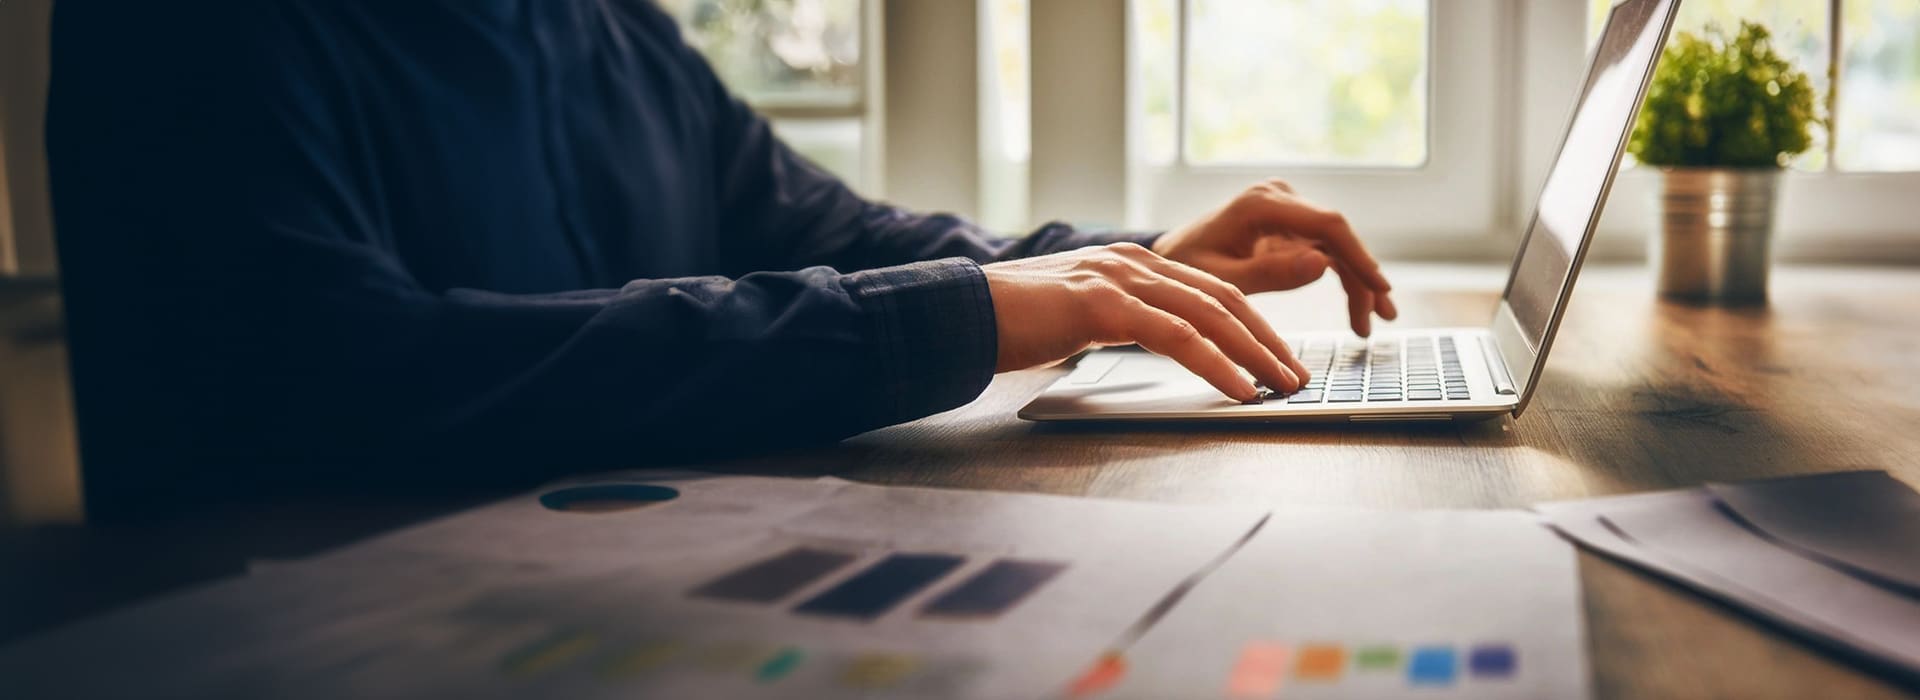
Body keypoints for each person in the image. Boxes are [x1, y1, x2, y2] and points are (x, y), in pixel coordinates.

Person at [46, 0, 1395, 518]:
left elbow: (833, 239)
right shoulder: (185, 33)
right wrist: (953, 318)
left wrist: (1123, 265)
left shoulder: (605, 29)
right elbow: (350, 378)